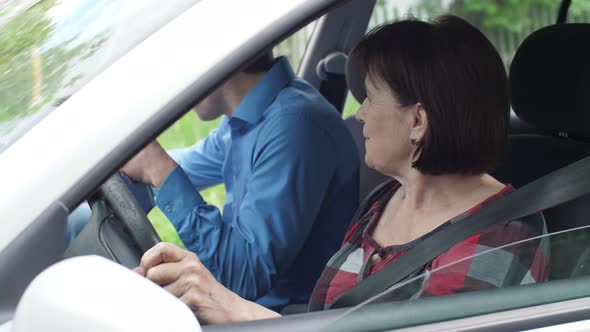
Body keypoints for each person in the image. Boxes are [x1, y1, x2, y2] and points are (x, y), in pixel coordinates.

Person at [133, 15, 550, 324]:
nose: (359, 116)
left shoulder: (500, 238)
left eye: (369, 98)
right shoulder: (386, 200)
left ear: (417, 121)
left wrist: (233, 310)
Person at [121, 52, 360, 311]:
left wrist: (158, 169)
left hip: (279, 318)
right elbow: (184, 166)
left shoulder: (294, 126)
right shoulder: (252, 118)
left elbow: (243, 276)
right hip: (237, 304)